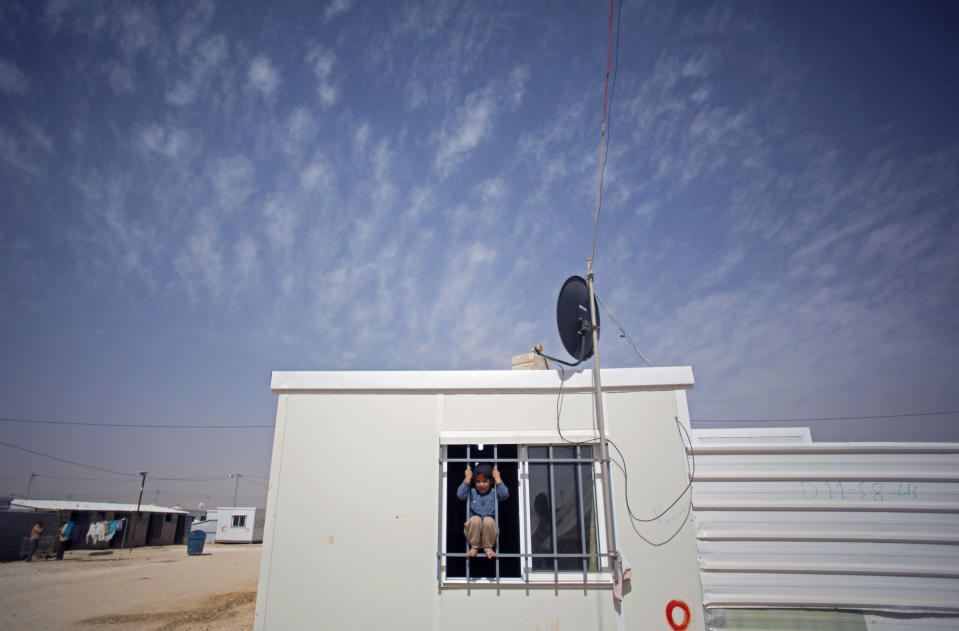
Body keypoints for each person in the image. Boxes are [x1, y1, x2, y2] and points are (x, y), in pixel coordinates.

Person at [456, 463, 508, 559]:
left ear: (491, 482)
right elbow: (460, 494)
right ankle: (474, 546)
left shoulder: (494, 493)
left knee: (488, 520)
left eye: (485, 481)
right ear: (474, 482)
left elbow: (505, 494)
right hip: (473, 532)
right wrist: (467, 478)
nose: (481, 485)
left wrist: (497, 478)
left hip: (489, 533)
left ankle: (488, 547)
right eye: (478, 481)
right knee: (475, 519)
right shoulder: (472, 492)